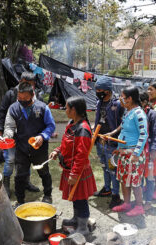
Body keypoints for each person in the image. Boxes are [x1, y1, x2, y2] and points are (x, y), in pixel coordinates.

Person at [4, 76, 56, 205]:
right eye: (19, 98)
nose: (21, 101)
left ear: (32, 95)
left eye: (25, 99)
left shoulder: (43, 107)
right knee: (19, 176)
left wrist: (42, 136)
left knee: (44, 172)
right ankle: (20, 200)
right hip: (21, 147)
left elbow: (51, 126)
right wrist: (8, 135)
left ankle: (48, 195)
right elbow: (9, 126)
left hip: (39, 147)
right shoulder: (13, 108)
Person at [49, 97, 97, 236]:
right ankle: (76, 219)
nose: (65, 110)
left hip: (79, 171)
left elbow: (81, 155)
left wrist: (74, 174)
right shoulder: (72, 123)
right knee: (76, 197)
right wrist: (57, 151)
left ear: (74, 110)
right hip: (70, 169)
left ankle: (83, 227)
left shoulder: (83, 129)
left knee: (81, 199)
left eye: (67, 108)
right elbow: (66, 144)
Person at [0, 72, 40, 197]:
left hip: (26, 135)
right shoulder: (10, 94)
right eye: (28, 84)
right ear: (21, 81)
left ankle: (26, 182)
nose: (31, 88)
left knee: (26, 158)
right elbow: (2, 112)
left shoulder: (34, 95)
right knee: (10, 159)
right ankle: (6, 184)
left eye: (32, 85)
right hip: (11, 134)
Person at [112, 87, 148, 216]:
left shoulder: (139, 113)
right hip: (124, 153)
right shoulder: (128, 112)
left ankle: (139, 206)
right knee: (123, 179)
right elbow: (124, 131)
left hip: (134, 155)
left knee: (134, 181)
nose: (121, 99)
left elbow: (144, 135)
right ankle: (126, 203)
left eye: (123, 97)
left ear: (130, 98)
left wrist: (136, 153)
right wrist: (118, 149)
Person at [93, 76, 124, 209]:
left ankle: (116, 195)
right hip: (100, 142)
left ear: (108, 90)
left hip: (112, 144)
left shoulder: (117, 104)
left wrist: (111, 134)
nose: (98, 92)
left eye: (100, 90)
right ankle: (107, 189)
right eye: (97, 89)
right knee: (104, 167)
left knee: (113, 170)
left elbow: (124, 123)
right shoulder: (99, 103)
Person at [139, 92, 156, 210]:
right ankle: (140, 200)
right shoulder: (137, 113)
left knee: (150, 177)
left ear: (144, 102)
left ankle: (148, 201)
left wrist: (153, 150)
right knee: (139, 176)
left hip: (149, 150)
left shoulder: (153, 114)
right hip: (138, 150)